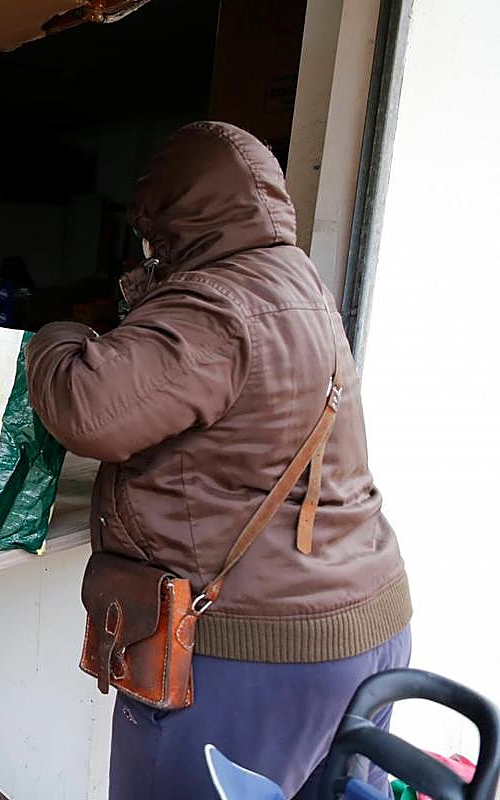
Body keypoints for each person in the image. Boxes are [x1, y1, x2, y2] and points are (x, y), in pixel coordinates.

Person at [25, 122, 411, 799]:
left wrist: (55, 331)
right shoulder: (297, 281)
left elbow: (87, 408)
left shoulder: (218, 302)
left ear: (173, 222)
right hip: (367, 624)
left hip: (255, 651)